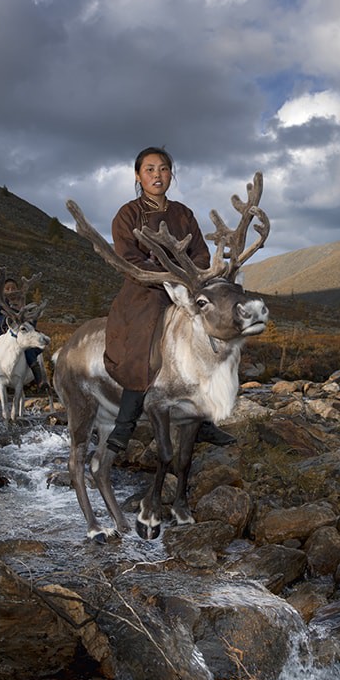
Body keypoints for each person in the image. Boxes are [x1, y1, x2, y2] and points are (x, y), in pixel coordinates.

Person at [103, 146, 235, 452]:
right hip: (144, 292)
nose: (157, 175)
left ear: (171, 175)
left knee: (214, 333)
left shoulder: (182, 213)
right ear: (138, 175)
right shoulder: (127, 214)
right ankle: (125, 423)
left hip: (186, 290)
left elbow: (200, 251)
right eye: (149, 170)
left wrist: (196, 275)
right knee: (144, 340)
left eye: (163, 169)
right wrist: (161, 274)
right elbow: (127, 257)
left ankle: (203, 421)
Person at [0, 277, 49, 400]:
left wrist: (25, 323)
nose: (11, 290)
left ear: (18, 290)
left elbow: (32, 321)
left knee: (29, 351)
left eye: (13, 288)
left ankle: (40, 380)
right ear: (3, 292)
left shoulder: (23, 306)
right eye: (7, 289)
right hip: (3, 333)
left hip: (22, 335)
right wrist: (5, 322)